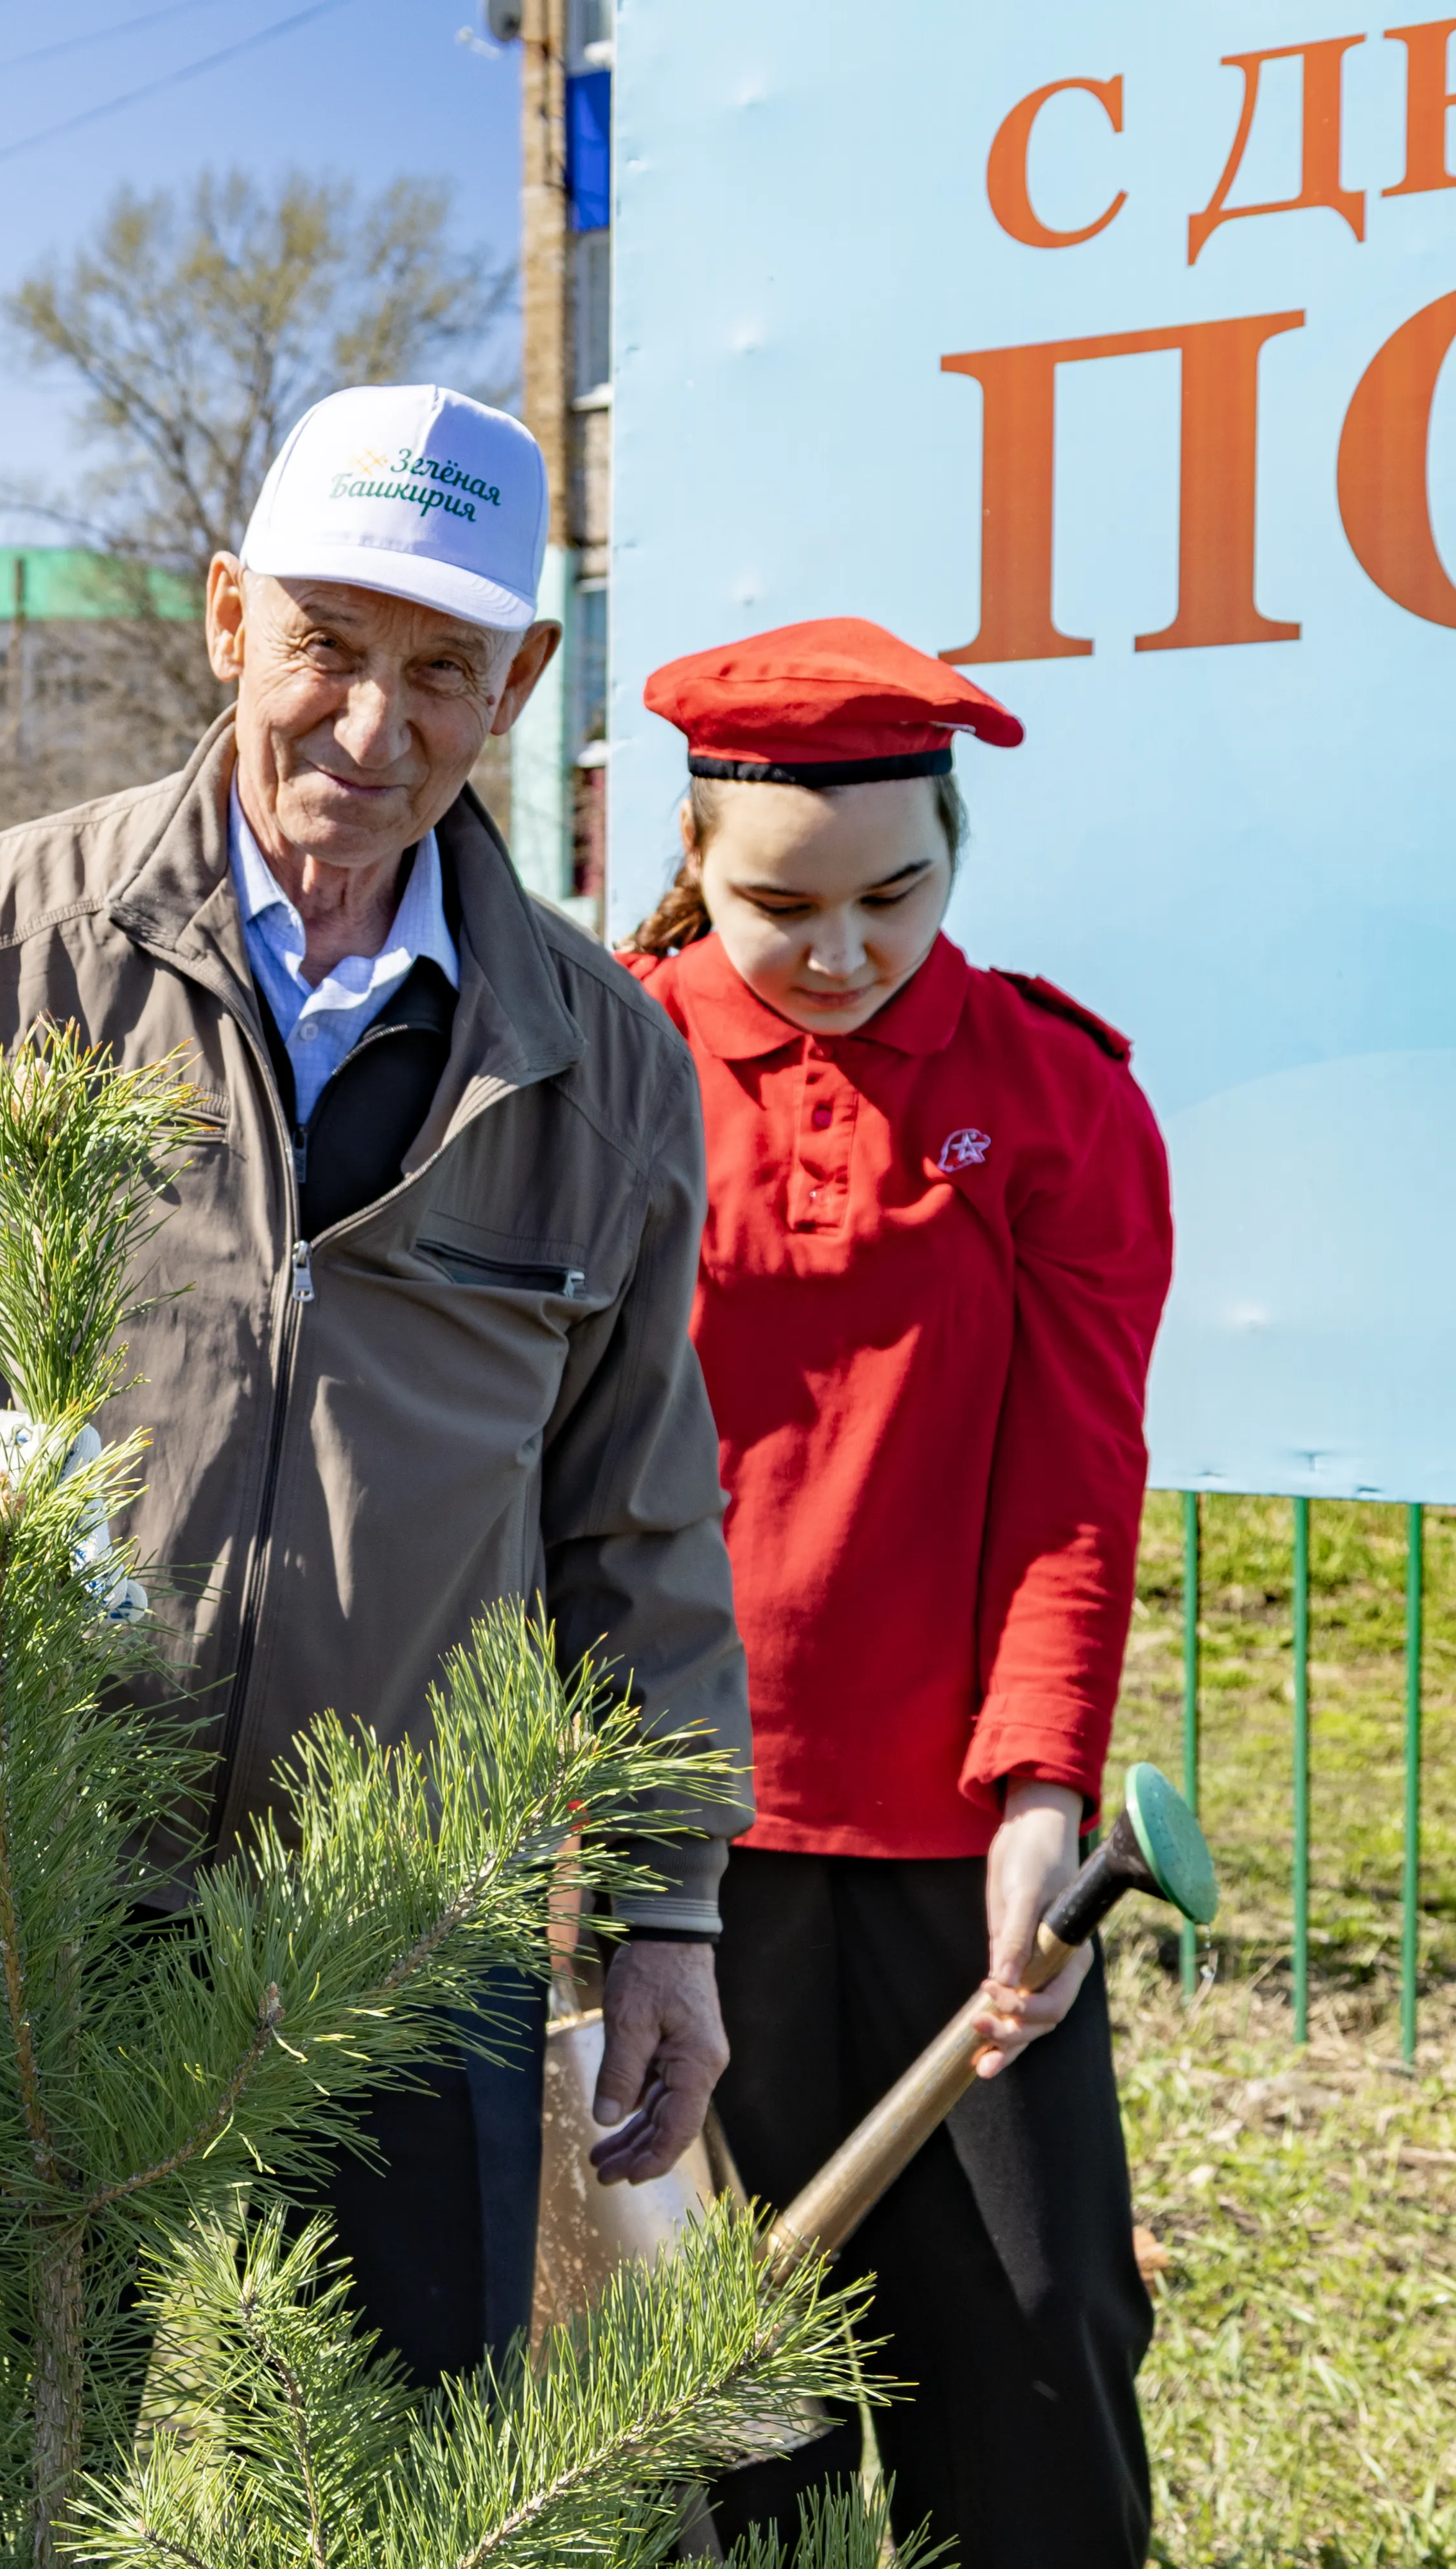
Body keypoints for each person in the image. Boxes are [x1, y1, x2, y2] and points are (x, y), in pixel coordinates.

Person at [0, 383, 754, 2399]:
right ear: (221, 617)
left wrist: (662, 1905)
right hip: (18, 1870)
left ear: (520, 680)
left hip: (397, 1915)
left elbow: (633, 1516)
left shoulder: (594, 1059)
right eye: (325, 650)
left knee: (372, 2462)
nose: (371, 730)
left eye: (437, 669)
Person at [622, 620, 1170, 2568]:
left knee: (1035, 2335)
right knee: (719, 2381)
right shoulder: (603, 1067)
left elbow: (1069, 1482)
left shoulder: (1055, 1098)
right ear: (696, 855)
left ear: (949, 847)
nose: (839, 950)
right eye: (776, 904)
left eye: (892, 894)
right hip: (663, 1835)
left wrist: (1039, 1788)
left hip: (954, 1834)